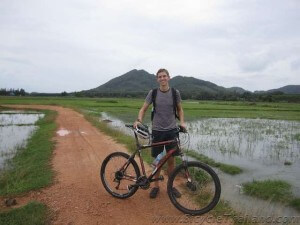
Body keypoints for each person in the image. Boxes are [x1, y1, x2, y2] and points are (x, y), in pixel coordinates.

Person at [133, 68, 186, 199]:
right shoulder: (153, 93)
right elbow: (143, 108)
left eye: (164, 76)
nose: (162, 78)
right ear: (157, 79)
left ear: (169, 77)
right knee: (157, 160)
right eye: (160, 77)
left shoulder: (175, 93)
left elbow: (180, 110)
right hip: (157, 131)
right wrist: (139, 120)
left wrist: (182, 122)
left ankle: (171, 186)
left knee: (171, 160)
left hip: (172, 131)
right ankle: (155, 186)